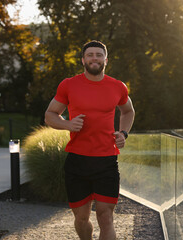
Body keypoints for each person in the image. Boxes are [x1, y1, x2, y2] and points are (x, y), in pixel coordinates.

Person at [45, 40, 135, 240]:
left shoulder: (117, 86)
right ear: (83, 60)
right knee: (82, 218)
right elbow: (50, 115)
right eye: (90, 55)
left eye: (98, 55)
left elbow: (128, 111)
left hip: (106, 160)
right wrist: (67, 124)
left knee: (106, 217)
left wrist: (123, 133)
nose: (94, 58)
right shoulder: (69, 85)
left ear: (105, 60)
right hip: (77, 161)